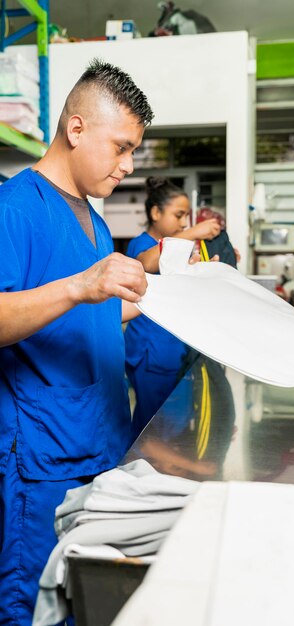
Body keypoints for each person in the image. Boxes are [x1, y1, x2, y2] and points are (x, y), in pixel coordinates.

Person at [0, 59, 153, 625]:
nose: (127, 165)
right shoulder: (15, 209)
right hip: (42, 457)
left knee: (78, 603)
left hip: (97, 443)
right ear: (77, 128)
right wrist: (82, 284)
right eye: (120, 147)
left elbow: (87, 315)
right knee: (30, 604)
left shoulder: (90, 217)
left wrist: (176, 302)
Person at [124, 176, 221, 436]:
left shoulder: (177, 248)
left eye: (186, 217)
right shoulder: (141, 244)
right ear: (156, 212)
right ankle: (138, 470)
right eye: (178, 215)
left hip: (171, 348)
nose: (182, 223)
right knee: (153, 426)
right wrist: (190, 233)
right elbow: (146, 262)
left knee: (171, 422)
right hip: (151, 351)